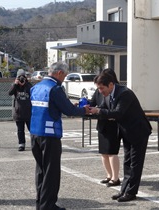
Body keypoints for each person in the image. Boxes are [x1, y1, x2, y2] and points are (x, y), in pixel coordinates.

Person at [30, 62, 90, 210]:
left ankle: (41, 203)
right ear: (59, 73)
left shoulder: (36, 87)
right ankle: (48, 205)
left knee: (41, 170)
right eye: (64, 75)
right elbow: (69, 110)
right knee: (51, 172)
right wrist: (84, 110)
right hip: (50, 134)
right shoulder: (55, 89)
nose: (64, 78)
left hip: (35, 132)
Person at [89, 72, 152, 202]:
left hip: (138, 132)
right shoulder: (111, 93)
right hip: (126, 132)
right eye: (98, 89)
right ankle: (123, 190)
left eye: (102, 88)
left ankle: (131, 192)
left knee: (135, 164)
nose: (100, 92)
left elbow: (118, 113)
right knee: (127, 162)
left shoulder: (124, 94)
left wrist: (99, 111)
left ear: (111, 84)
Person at [89, 68, 121, 187]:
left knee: (112, 152)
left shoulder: (118, 92)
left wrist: (101, 110)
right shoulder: (99, 90)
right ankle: (108, 175)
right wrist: (84, 106)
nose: (100, 89)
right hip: (102, 123)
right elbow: (92, 102)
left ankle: (115, 178)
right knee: (103, 152)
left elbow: (118, 111)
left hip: (113, 124)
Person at [8, 69, 32, 151]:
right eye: (19, 77)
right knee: (20, 130)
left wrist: (26, 83)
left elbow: (33, 92)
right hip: (18, 112)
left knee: (32, 129)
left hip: (28, 112)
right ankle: (21, 144)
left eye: (23, 77)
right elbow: (10, 93)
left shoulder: (29, 86)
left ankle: (35, 143)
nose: (21, 79)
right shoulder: (15, 86)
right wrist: (15, 84)